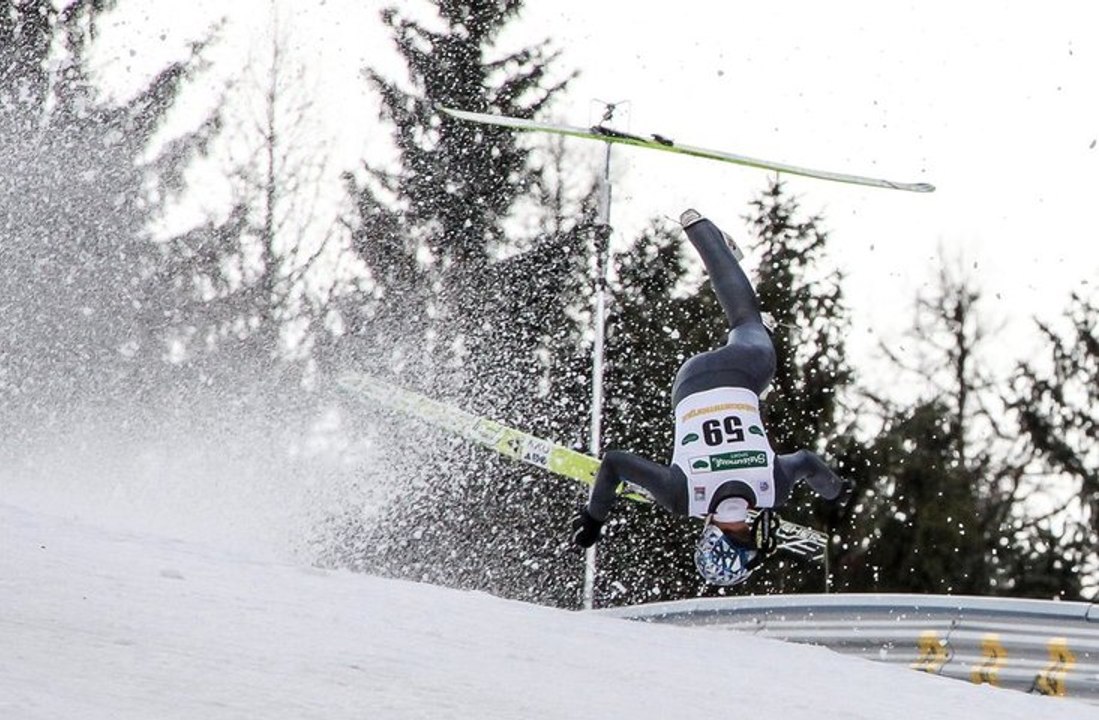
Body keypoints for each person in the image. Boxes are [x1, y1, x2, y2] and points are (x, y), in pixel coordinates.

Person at [571, 208, 849, 587]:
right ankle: (703, 236)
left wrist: (836, 491)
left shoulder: (773, 486)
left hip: (743, 372)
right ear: (709, 535)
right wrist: (593, 521)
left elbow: (807, 462)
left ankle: (704, 233)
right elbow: (614, 463)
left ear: (753, 543)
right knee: (746, 358)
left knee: (746, 321)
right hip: (689, 382)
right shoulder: (681, 497)